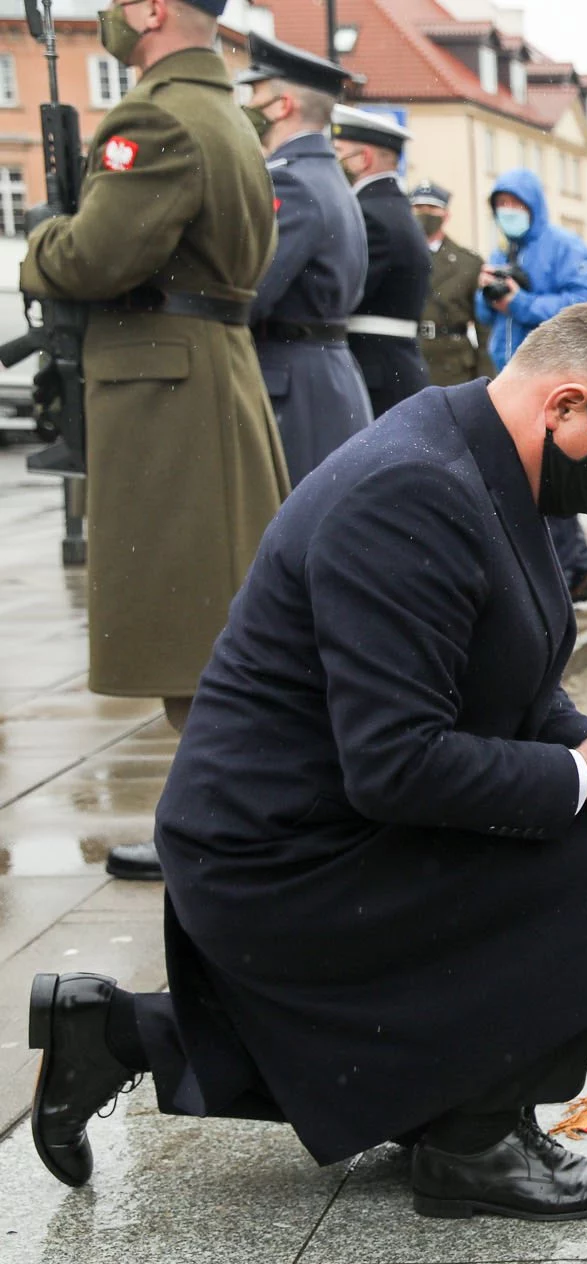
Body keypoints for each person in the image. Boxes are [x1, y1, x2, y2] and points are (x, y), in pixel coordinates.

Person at [26, 303, 587, 1220]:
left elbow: (509, 679)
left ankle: (115, 1032)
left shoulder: (492, 465)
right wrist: (583, 779)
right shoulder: (414, 490)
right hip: (277, 858)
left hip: (334, 820)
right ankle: (474, 1140)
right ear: (565, 407)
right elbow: (397, 763)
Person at [18, 0, 288, 884]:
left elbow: (96, 255)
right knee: (214, 625)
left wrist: (41, 241)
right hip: (208, 374)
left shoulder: (156, 115)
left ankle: (227, 835)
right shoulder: (228, 115)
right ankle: (220, 826)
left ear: (154, 10)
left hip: (170, 391)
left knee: (196, 635)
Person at [238, 33, 371, 483]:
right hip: (322, 373)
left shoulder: (291, 184)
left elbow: (251, 292)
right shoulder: (326, 177)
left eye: (256, 93)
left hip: (294, 383)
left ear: (282, 105)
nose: (248, 106)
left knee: (294, 537)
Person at [477, 169, 587, 602]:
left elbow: (585, 304)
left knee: (541, 471)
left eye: (516, 205)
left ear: (533, 206)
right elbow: (491, 316)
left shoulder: (564, 248)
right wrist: (490, 293)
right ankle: (577, 568)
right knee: (535, 473)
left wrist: (524, 301)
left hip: (551, 379)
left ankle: (573, 568)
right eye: (501, 206)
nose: (508, 213)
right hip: (512, 376)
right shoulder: (503, 250)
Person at [330, 106, 431, 416]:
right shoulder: (393, 209)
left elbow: (341, 293)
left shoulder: (369, 216)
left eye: (339, 152)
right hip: (393, 365)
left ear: (363, 159)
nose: (334, 161)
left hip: (374, 368)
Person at [409, 181, 494, 387]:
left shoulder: (468, 263)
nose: (425, 214)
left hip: (453, 366)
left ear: (446, 215)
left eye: (432, 209)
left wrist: (486, 379)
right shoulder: (397, 257)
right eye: (419, 208)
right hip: (409, 358)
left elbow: (484, 328)